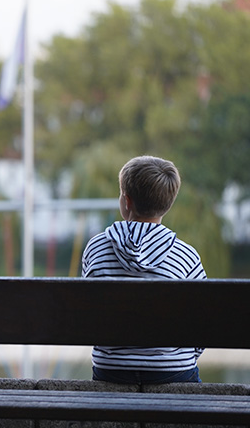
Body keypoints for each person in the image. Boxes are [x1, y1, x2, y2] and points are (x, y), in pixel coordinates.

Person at [82, 155, 207, 385]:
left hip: (111, 370)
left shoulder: (96, 248)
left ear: (126, 201)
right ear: (168, 204)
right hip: (172, 371)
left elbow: (89, 316)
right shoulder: (186, 256)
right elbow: (203, 325)